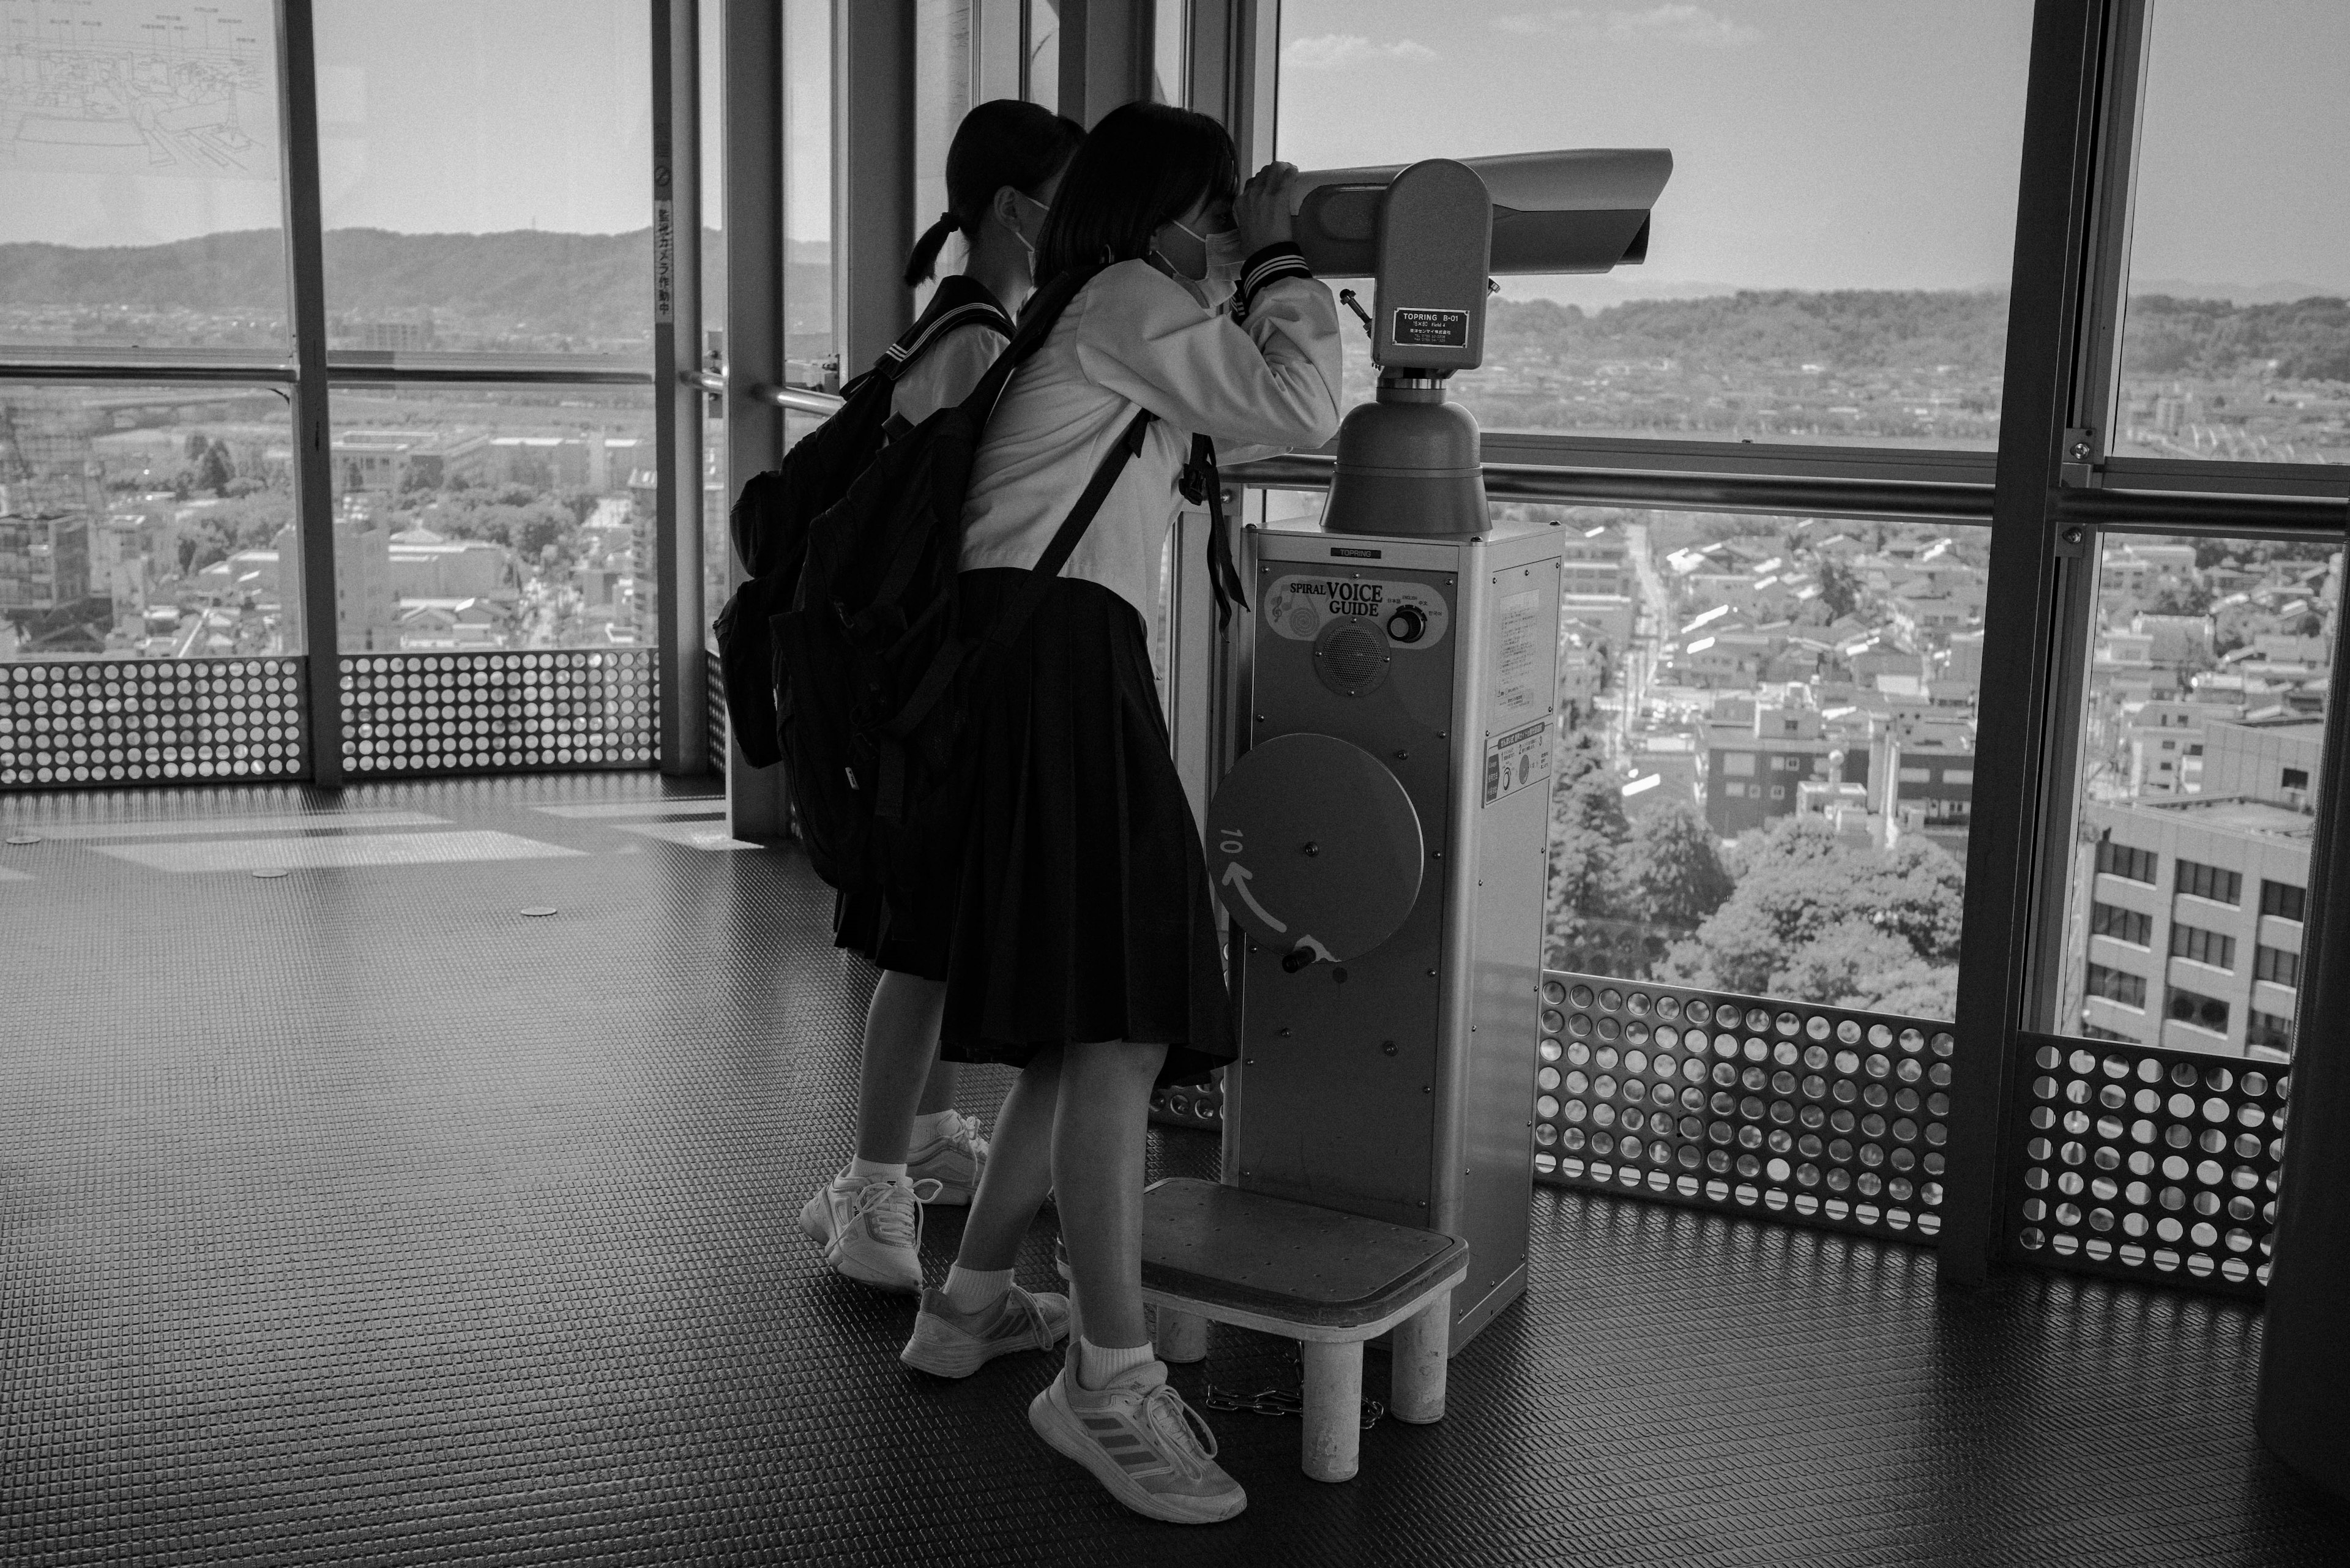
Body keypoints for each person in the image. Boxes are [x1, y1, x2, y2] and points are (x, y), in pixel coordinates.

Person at [891, 102, 1341, 1525]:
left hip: (1037, 669)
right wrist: (1280, 264)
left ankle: (965, 1313)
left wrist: (1255, 270)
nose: (1222, 243)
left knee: (1083, 1026)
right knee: (1126, 1030)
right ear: (1160, 217)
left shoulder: (1098, 312)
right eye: (1214, 214)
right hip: (1058, 675)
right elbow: (1307, 413)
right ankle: (1105, 1382)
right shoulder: (1134, 299)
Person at [797, 100, 1084, 1297]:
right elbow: (955, 529)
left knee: (931, 933)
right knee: (916, 942)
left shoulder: (967, 327)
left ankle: (900, 1144)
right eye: (1075, 194)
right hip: (941, 684)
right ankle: (870, 1191)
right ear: (1022, 209)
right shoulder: (977, 343)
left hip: (929, 679)